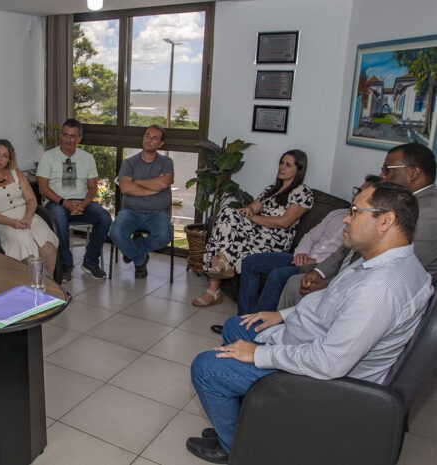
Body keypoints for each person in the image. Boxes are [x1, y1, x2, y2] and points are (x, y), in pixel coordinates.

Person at [186, 182, 433, 464]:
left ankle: (235, 447)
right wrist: (283, 315)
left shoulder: (381, 288)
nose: (346, 218)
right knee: (237, 326)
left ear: (386, 221)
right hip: (309, 340)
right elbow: (331, 299)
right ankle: (249, 418)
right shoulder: (388, 262)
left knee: (206, 367)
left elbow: (329, 362)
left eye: (355, 211)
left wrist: (259, 354)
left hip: (320, 380)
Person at [278, 143, 437, 309]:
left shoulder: (429, 215)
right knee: (294, 284)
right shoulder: (398, 200)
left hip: (376, 294)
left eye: (387, 169)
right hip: (352, 274)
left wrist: (331, 284)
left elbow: (395, 271)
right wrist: (320, 271)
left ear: (413, 172)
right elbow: (351, 242)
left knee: (295, 288)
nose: (382, 176)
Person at [235, 175, 379, 315]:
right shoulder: (337, 214)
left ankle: (255, 325)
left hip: (319, 266)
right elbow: (310, 236)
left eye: (361, 192)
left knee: (277, 276)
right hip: (302, 257)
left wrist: (315, 262)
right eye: (357, 190)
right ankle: (244, 317)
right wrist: (301, 253)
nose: (356, 195)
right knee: (251, 262)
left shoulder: (364, 229)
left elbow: (342, 259)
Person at [192, 150, 313, 307]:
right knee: (229, 212)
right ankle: (221, 263)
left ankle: (214, 286)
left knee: (228, 227)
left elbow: (285, 222)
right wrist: (248, 211)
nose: (282, 167)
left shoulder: (302, 192)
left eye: (288, 165)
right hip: (257, 233)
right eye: (281, 163)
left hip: (275, 241)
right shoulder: (272, 190)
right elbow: (252, 208)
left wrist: (252, 217)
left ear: (299, 170)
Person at [36, 118, 112, 282]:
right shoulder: (48, 157)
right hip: (56, 202)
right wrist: (64, 203)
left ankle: (90, 262)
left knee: (104, 218)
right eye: (64, 134)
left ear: (79, 139)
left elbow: (93, 188)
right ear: (60, 135)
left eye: (72, 136)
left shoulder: (87, 158)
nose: (67, 139)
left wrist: (83, 204)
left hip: (82, 202)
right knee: (59, 219)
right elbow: (43, 188)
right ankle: (66, 265)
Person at [0, 139, 58, 271]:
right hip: (1, 221)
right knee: (24, 243)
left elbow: (31, 199)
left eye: (5, 156)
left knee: (47, 245)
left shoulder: (16, 173)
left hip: (27, 216)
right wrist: (11, 222)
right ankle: (32, 287)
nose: (0, 158)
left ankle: (50, 286)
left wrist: (28, 217)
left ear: (9, 160)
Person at [109, 125, 174, 279]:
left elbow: (163, 184)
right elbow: (125, 187)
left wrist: (136, 182)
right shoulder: (129, 163)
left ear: (161, 144)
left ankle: (134, 249)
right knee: (116, 232)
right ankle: (140, 259)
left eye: (154, 138)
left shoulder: (166, 162)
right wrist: (153, 188)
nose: (149, 140)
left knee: (165, 236)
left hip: (158, 213)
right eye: (147, 135)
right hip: (130, 211)